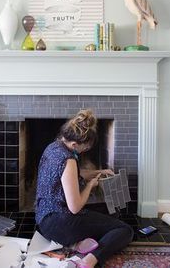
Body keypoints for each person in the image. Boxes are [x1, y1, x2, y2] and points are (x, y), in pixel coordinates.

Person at [35, 109, 134, 268]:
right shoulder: (68, 160)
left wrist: (98, 172)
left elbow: (72, 174)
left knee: (108, 212)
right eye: (84, 148)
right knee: (124, 230)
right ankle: (90, 259)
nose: (84, 151)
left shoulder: (53, 147)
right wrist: (90, 185)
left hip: (43, 218)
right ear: (74, 144)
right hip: (59, 223)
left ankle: (76, 243)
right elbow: (75, 208)